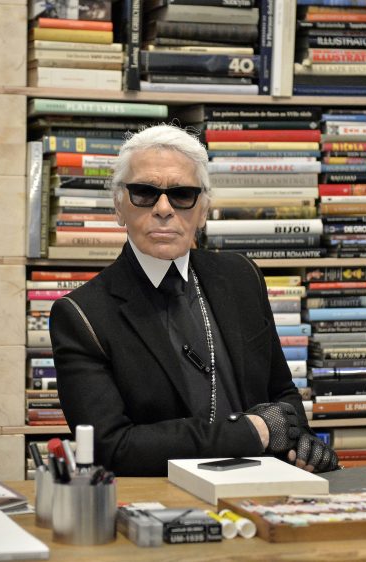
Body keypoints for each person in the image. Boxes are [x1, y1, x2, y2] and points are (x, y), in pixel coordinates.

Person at [50, 124, 338, 476]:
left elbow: (281, 393)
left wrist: (299, 439)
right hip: (161, 497)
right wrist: (251, 432)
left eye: (182, 195)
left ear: (203, 210)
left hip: (264, 485)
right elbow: (110, 447)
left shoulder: (242, 276)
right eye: (144, 192)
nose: (163, 209)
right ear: (118, 206)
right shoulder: (82, 314)